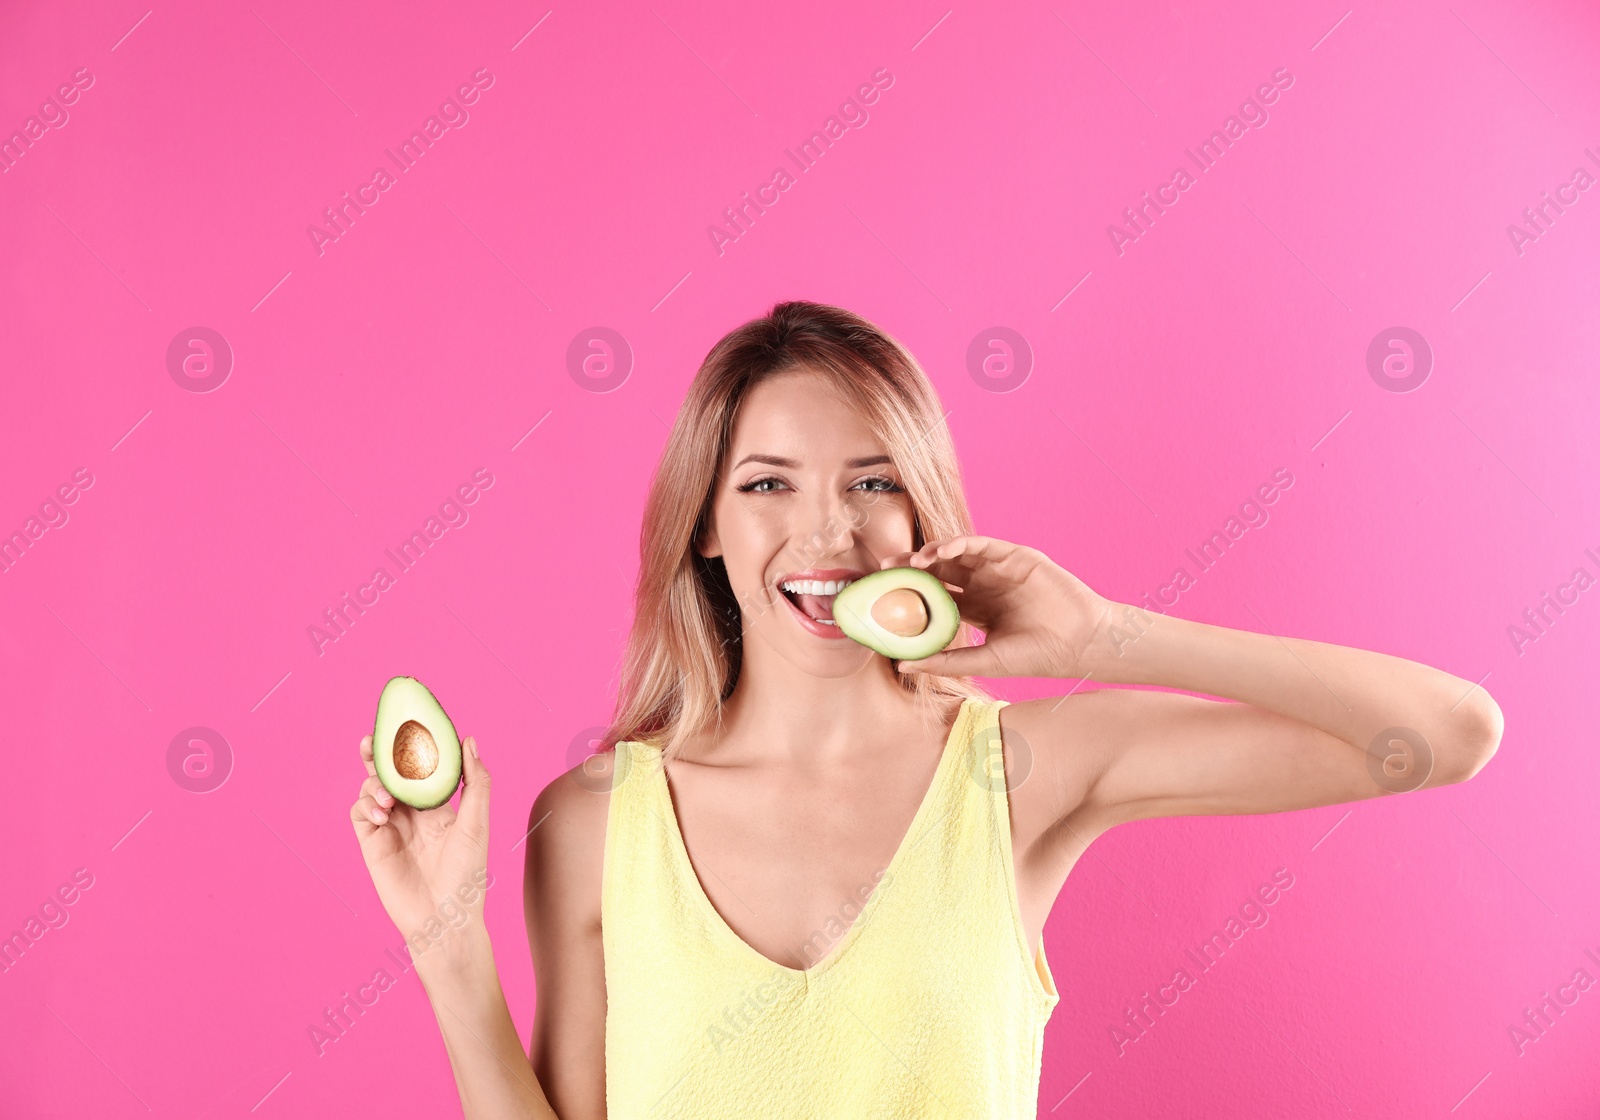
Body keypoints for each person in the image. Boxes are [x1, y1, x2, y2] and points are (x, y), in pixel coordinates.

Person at [350, 300, 1503, 1119]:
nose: (827, 534)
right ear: (705, 524)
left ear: (920, 513)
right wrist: (446, 941)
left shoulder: (1027, 772)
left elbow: (1446, 734)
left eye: (872, 480)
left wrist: (1107, 635)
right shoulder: (595, 822)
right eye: (766, 484)